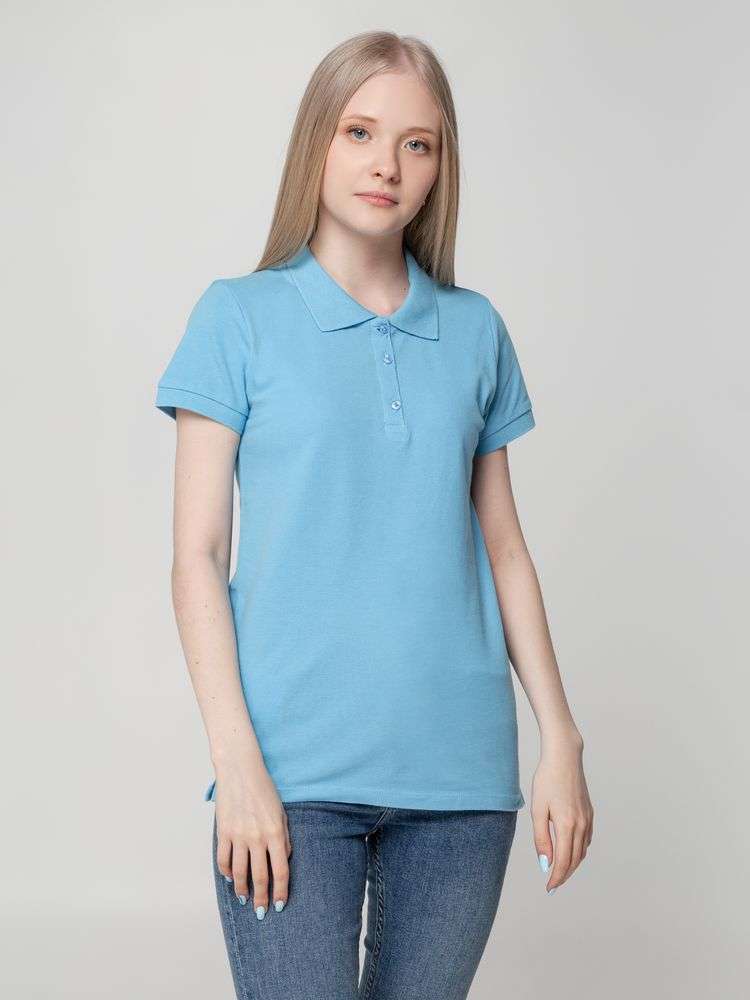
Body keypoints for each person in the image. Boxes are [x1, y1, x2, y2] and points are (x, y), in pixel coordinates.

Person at [154, 29, 593, 1000]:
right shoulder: (238, 316)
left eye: (416, 143)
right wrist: (237, 762)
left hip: (461, 779)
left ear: (440, 166)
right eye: (359, 132)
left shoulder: (475, 331)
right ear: (317, 140)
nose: (386, 164)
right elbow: (197, 557)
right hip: (291, 776)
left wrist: (559, 736)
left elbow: (505, 549)